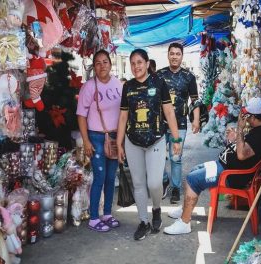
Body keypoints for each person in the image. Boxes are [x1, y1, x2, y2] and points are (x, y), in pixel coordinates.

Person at [163, 97, 261, 235]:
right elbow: (243, 149)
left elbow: (241, 155)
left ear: (253, 117)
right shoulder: (260, 128)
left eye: (246, 116)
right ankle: (186, 207)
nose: (245, 118)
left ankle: (185, 222)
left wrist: (239, 129)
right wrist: (233, 139)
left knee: (193, 179)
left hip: (230, 174)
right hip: (223, 165)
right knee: (194, 170)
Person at [116, 49, 182, 240]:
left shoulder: (159, 82)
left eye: (139, 62)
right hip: (133, 141)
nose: (136, 66)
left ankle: (156, 209)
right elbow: (122, 117)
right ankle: (143, 221)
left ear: (146, 63)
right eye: (133, 63)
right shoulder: (127, 86)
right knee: (138, 183)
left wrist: (176, 139)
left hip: (156, 139)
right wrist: (119, 144)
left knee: (154, 183)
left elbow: (169, 113)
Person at [76, 50, 123, 232]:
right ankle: (94, 217)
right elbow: (81, 116)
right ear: (93, 67)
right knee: (100, 177)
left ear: (110, 64)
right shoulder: (88, 87)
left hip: (113, 137)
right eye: (98, 63)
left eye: (105, 62)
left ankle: (108, 214)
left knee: (111, 178)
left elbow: (123, 112)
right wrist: (86, 141)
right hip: (95, 137)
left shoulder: (118, 84)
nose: (102, 66)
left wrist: (121, 140)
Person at [156, 42, 200, 204]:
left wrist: (196, 119)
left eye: (177, 54)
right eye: (172, 53)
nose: (174, 56)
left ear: (182, 56)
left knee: (176, 157)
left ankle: (175, 188)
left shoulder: (189, 77)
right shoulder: (159, 75)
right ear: (168, 55)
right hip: (160, 124)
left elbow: (195, 100)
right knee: (158, 157)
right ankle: (164, 180)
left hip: (180, 124)